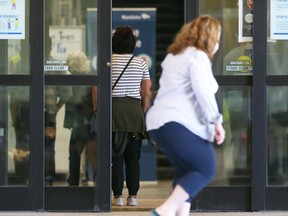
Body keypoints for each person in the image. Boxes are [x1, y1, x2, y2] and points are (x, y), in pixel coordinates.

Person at [145, 15, 225, 216]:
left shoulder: (175, 55)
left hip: (159, 123)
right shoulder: (197, 57)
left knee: (186, 174)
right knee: (205, 168)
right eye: (218, 38)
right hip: (177, 121)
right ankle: (164, 211)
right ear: (209, 37)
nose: (218, 43)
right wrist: (216, 121)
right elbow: (202, 91)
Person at [111, 26, 151, 206]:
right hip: (134, 112)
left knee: (115, 156)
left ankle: (117, 196)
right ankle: (133, 196)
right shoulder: (140, 63)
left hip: (113, 112)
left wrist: (97, 110)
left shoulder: (108, 61)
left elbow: (96, 89)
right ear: (132, 43)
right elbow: (146, 92)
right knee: (133, 157)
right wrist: (141, 111)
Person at [63, 51, 97, 186]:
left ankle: (73, 181)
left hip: (78, 122)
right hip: (90, 121)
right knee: (92, 154)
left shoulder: (71, 80)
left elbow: (70, 100)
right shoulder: (91, 78)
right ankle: (95, 181)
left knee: (74, 153)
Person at [44, 37, 72, 185]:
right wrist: (55, 108)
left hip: (31, 113)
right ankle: (48, 181)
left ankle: (32, 180)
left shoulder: (28, 62)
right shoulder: (56, 64)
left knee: (29, 146)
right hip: (49, 113)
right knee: (48, 147)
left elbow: (68, 91)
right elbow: (67, 92)